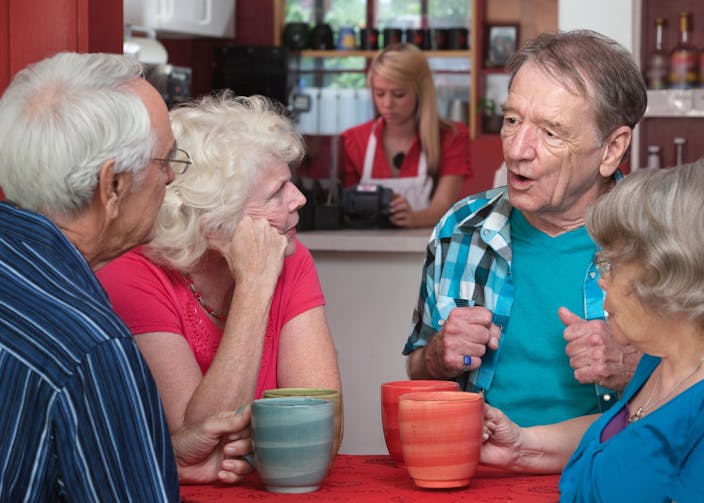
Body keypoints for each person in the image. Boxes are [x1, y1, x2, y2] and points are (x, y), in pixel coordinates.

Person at [0, 52, 251, 501]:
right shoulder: (91, 348)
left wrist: (157, 454)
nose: (172, 177)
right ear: (112, 186)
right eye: (164, 160)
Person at [403, 30, 645, 426]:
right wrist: (437, 355)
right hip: (477, 474)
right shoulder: (461, 229)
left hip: (605, 478)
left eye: (551, 132)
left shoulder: (659, 242)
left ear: (612, 149)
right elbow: (418, 371)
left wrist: (635, 365)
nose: (516, 150)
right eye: (512, 120)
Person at [480, 159, 704, 501]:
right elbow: (624, 438)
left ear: (673, 275)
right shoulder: (665, 356)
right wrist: (521, 445)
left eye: (611, 263)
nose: (603, 280)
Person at [96, 93, 342, 441]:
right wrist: (254, 288)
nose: (299, 199)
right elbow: (198, 440)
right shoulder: (133, 275)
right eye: (276, 192)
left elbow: (319, 428)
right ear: (215, 219)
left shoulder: (289, 255)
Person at [341, 43, 472, 228]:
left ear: (420, 92)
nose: (387, 103)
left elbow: (443, 207)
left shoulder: (451, 137)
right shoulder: (353, 140)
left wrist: (414, 218)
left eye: (399, 94)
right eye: (379, 94)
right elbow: (343, 207)